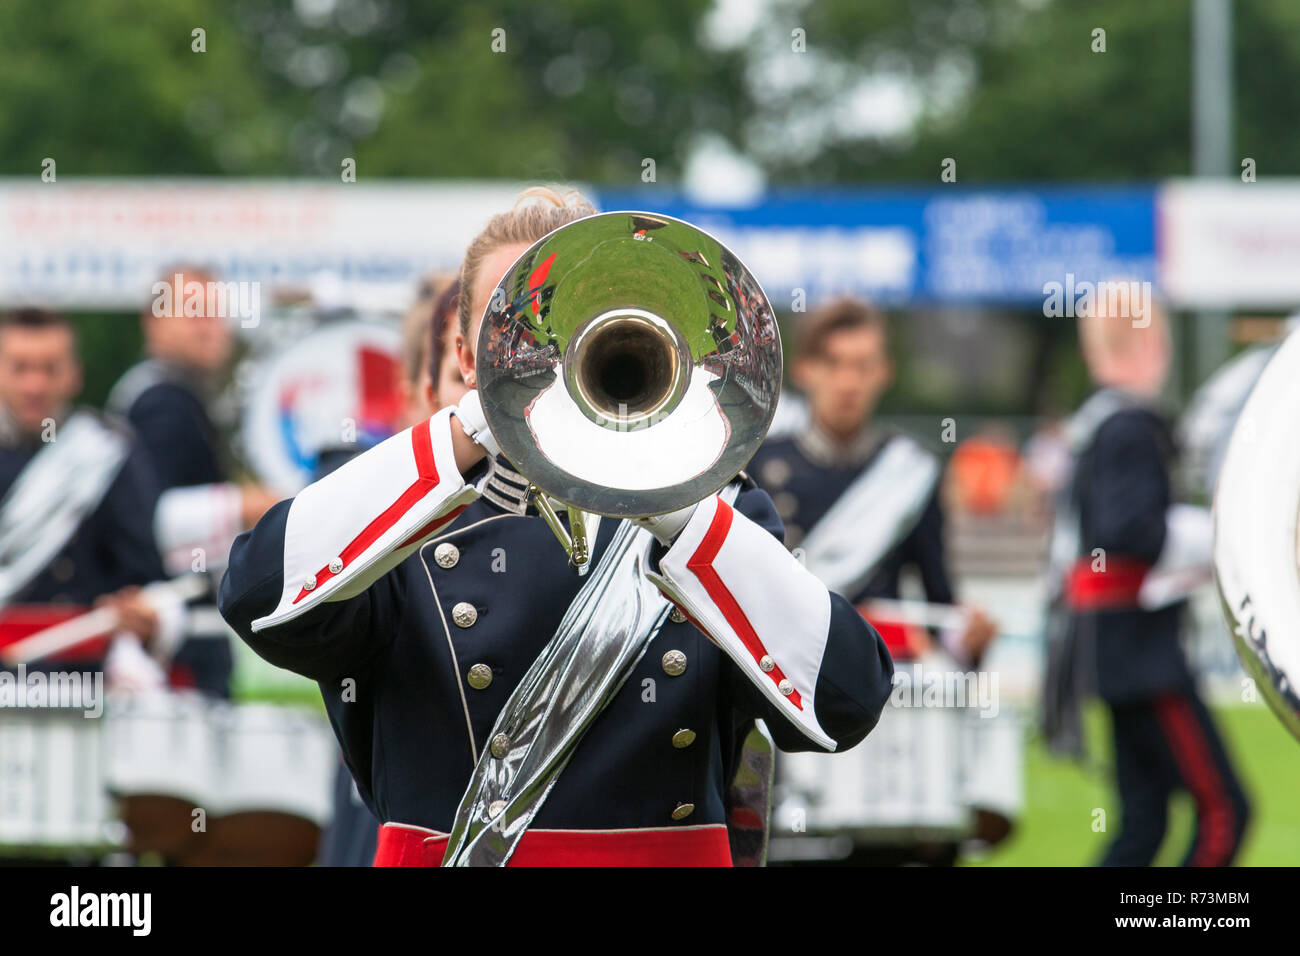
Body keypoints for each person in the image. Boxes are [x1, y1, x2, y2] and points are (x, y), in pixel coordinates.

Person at [219, 188, 894, 866]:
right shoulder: (402, 518)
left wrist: (680, 503)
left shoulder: (714, 515)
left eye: (567, 321)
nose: (542, 349)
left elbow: (846, 699)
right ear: (464, 354)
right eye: (509, 325)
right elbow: (255, 596)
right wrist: (470, 431)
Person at [1049, 293, 1250, 866]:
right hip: (1145, 653)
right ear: (1148, 343)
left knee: (1144, 822)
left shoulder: (1095, 425)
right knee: (1224, 811)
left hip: (1112, 647)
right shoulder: (1132, 425)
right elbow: (1131, 530)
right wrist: (1213, 534)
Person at [749, 299, 995, 665]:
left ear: (884, 372)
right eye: (833, 363)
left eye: (863, 366)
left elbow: (938, 609)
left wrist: (970, 639)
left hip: (872, 684)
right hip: (777, 674)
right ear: (804, 369)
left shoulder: (910, 471)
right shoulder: (759, 463)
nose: (849, 381)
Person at [107, 267, 278, 698]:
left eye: (216, 312)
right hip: (172, 645)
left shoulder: (172, 397)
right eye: (194, 311)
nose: (210, 325)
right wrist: (255, 504)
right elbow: (156, 518)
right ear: (154, 322)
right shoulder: (163, 403)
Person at [0, 308, 166, 670]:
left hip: (83, 675)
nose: (35, 385)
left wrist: (136, 612)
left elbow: (146, 575)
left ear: (74, 375)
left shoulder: (107, 451)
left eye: (50, 368)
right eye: (20, 367)